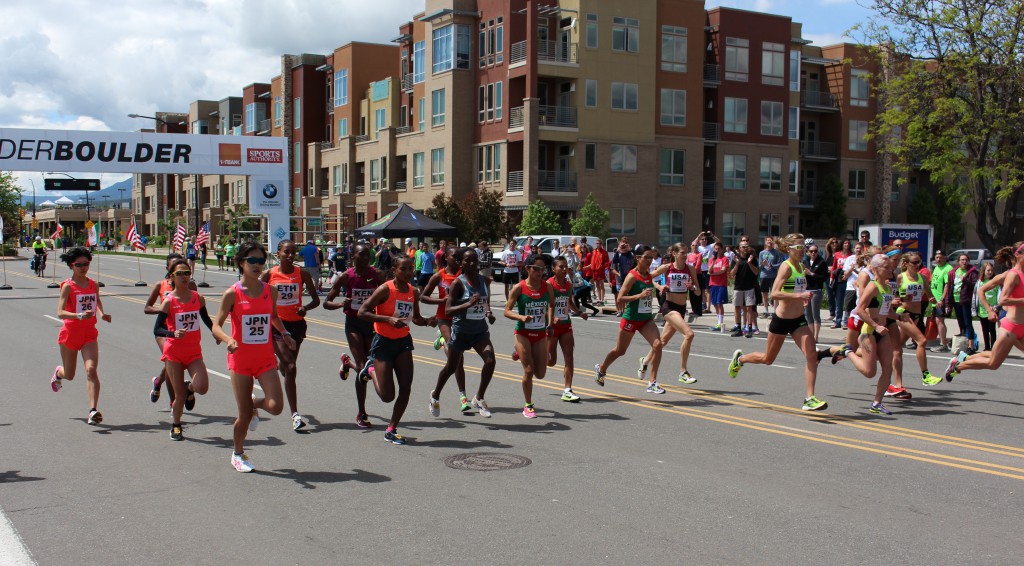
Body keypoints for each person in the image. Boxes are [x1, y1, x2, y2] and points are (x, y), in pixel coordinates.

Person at [211, 241, 291, 472]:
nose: (257, 265)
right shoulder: (232, 294)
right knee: (244, 415)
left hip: (265, 357)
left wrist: (284, 333)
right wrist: (228, 339)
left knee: (276, 407)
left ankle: (255, 404)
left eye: (261, 261)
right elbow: (216, 325)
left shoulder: (270, 291)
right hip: (241, 361)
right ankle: (238, 454)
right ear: (241, 263)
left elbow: (273, 317)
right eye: (252, 261)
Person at [729, 234, 828, 411]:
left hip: (798, 320)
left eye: (803, 248)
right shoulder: (786, 267)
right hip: (781, 320)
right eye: (798, 248)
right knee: (768, 359)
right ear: (788, 249)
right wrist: (799, 295)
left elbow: (795, 289)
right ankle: (740, 359)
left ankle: (809, 398)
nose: (802, 251)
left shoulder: (801, 266)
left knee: (812, 355)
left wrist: (803, 299)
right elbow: (774, 293)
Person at [357, 256, 429, 444]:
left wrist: (428, 322)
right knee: (387, 396)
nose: (408, 272)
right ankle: (370, 369)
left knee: (406, 387)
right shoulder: (385, 289)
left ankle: (391, 428)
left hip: (403, 342)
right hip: (383, 342)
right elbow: (362, 312)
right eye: (403, 269)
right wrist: (387, 319)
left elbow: (416, 317)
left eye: (411, 268)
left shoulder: (414, 291)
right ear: (394, 270)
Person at [430, 247, 498, 416]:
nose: (471, 263)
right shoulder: (458, 283)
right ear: (461, 263)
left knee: (490, 361)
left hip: (480, 332)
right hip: (461, 332)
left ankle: (479, 398)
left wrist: (488, 312)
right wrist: (468, 304)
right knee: (451, 368)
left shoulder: (484, 280)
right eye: (467, 260)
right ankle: (435, 395)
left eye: (474, 260)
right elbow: (448, 311)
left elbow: (484, 301)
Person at [261, 239, 321, 431]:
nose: (290, 256)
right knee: (292, 366)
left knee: (287, 369)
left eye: (293, 252)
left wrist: (305, 308)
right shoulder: (269, 274)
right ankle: (295, 414)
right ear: (278, 253)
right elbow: (254, 294)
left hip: (296, 326)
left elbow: (316, 299)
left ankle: (280, 363)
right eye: (286, 252)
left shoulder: (301, 273)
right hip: (277, 326)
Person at [50, 247, 112, 425]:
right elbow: (60, 312)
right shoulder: (68, 286)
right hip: (70, 334)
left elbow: (96, 299)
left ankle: (93, 410)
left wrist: (102, 314)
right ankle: (58, 373)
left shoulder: (93, 284)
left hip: (89, 334)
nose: (83, 267)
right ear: (72, 265)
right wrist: (78, 315)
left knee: (91, 370)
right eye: (79, 265)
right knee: (69, 375)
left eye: (86, 264)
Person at [153, 258, 214, 441]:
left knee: (202, 387)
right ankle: (176, 425)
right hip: (174, 353)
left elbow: (206, 320)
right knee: (178, 395)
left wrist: (216, 333)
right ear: (172, 277)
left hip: (194, 352)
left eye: (187, 273)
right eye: (180, 273)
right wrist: (172, 333)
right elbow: (157, 329)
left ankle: (190, 388)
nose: (184, 276)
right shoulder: (169, 301)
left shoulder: (197, 298)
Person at [324, 243, 382, 428]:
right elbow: (327, 302)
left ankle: (347, 363)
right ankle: (361, 412)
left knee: (367, 366)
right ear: (353, 257)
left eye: (367, 254)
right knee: (363, 366)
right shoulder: (346, 276)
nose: (365, 258)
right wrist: (342, 304)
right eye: (361, 255)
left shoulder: (377, 275)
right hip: (354, 324)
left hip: (372, 323)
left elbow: (388, 295)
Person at [832, 255, 899, 415]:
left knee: (888, 368)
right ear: (876, 269)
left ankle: (877, 403)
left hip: (883, 332)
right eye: (886, 267)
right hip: (869, 332)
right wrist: (875, 326)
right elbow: (859, 310)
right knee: (870, 372)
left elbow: (886, 312)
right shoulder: (872, 286)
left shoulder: (888, 287)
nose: (890, 270)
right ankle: (847, 351)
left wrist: (900, 316)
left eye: (890, 267)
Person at [595, 247, 666, 394]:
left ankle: (652, 382)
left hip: (646, 319)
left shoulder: (648, 275)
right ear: (638, 258)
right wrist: (638, 296)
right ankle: (601, 369)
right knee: (620, 351)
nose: (649, 260)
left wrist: (658, 287)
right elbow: (620, 298)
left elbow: (650, 283)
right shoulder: (632, 276)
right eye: (646, 257)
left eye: (651, 258)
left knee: (658, 345)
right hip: (631, 319)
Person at [420, 246, 472, 413]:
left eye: (459, 256)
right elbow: (423, 297)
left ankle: (461, 394)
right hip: (444, 318)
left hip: (461, 318)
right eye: (454, 256)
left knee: (457, 359)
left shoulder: (464, 274)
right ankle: (463, 396)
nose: (457, 259)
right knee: (456, 358)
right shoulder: (439, 275)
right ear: (445, 258)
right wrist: (442, 301)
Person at [640, 243, 700, 383]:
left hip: (681, 308)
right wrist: (660, 286)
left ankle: (645, 361)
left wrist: (692, 287)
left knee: (663, 341)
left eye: (686, 253)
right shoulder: (667, 267)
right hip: (668, 307)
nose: (685, 255)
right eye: (682, 253)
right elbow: (648, 278)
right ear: (674, 253)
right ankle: (683, 371)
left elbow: (698, 291)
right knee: (689, 334)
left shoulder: (690, 269)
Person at [505, 253, 556, 417]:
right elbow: (506, 311)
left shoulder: (547, 286)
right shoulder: (519, 288)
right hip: (523, 333)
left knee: (540, 374)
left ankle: (519, 353)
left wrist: (550, 323)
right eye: (537, 268)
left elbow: (551, 305)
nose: (540, 272)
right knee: (528, 370)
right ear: (528, 269)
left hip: (540, 333)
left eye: (543, 268)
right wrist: (520, 317)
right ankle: (528, 405)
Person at [144, 253, 196, 405]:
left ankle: (159, 383)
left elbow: (195, 304)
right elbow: (147, 308)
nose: (182, 274)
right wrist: (164, 309)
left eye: (185, 270)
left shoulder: (190, 285)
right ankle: (174, 402)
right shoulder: (160, 285)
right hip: (165, 331)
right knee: (169, 361)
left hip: (184, 331)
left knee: (174, 365)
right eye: (175, 267)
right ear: (168, 269)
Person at [893, 252, 941, 388]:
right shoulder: (900, 278)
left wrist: (934, 301)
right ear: (906, 264)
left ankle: (860, 353)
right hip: (903, 314)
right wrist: (902, 299)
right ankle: (926, 376)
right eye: (914, 262)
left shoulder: (922, 278)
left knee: (896, 348)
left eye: (919, 262)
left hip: (917, 315)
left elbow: (930, 295)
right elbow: (891, 297)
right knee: (922, 340)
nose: (917, 265)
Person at [547, 256, 589, 402]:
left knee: (569, 357)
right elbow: (544, 305)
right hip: (552, 327)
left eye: (566, 267)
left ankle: (567, 390)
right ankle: (532, 357)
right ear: (553, 269)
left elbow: (569, 302)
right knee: (550, 362)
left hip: (565, 325)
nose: (564, 269)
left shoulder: (569, 284)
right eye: (561, 267)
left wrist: (579, 312)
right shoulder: (548, 284)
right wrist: (551, 319)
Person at [728, 241, 759, 337]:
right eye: (744, 247)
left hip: (749, 287)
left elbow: (756, 272)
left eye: (747, 246)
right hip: (738, 287)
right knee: (737, 307)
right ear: (740, 248)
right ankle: (738, 328)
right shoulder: (736, 258)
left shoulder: (752, 258)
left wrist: (750, 263)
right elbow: (732, 274)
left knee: (749, 308)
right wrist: (737, 264)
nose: (746, 248)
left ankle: (749, 328)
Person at [951, 252, 979, 352]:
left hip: (966, 300)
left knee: (968, 323)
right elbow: (950, 286)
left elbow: (975, 286)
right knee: (960, 322)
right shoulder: (954, 272)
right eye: (962, 260)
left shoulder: (972, 272)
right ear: (958, 261)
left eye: (966, 260)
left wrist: (966, 280)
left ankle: (971, 346)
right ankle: (963, 344)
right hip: (956, 299)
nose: (964, 262)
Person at [803, 243, 829, 341]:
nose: (813, 253)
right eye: (811, 251)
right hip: (806, 290)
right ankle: (811, 335)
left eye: (815, 251)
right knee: (808, 314)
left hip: (816, 290)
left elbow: (823, 277)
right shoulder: (805, 261)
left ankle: (816, 336)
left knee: (815, 314)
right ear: (808, 252)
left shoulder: (821, 262)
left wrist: (812, 274)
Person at [929, 250, 953, 352]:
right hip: (935, 300)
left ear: (945, 257)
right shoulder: (936, 268)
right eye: (937, 257)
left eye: (941, 257)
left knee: (940, 320)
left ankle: (943, 344)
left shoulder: (948, 268)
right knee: (938, 321)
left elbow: (947, 285)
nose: (938, 259)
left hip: (941, 300)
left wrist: (942, 299)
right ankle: (943, 342)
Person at [758, 237, 784, 319]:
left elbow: (780, 264)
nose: (769, 242)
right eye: (767, 240)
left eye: (770, 240)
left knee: (774, 294)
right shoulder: (762, 253)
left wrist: (771, 265)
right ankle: (766, 310)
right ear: (765, 242)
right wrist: (763, 264)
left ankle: (775, 311)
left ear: (773, 242)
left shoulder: (777, 252)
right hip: (764, 275)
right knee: (764, 293)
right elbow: (760, 266)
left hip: (773, 275)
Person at [707, 242, 729, 331]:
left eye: (718, 249)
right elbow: (709, 270)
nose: (716, 250)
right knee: (715, 303)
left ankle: (721, 323)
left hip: (721, 284)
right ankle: (718, 322)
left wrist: (713, 274)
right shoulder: (712, 259)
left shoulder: (725, 259)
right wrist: (713, 261)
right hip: (713, 284)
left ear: (721, 249)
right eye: (715, 249)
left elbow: (723, 270)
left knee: (720, 303)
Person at [829, 239, 852, 326]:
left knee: (848, 302)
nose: (847, 245)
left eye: (848, 243)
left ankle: (846, 322)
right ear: (842, 244)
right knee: (839, 301)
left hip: (848, 280)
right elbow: (834, 267)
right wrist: (831, 277)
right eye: (845, 243)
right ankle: (838, 321)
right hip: (838, 279)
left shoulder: (851, 255)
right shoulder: (837, 254)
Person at [977, 261, 998, 351]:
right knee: (985, 330)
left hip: (992, 309)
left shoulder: (995, 282)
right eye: (988, 270)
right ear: (983, 271)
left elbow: (999, 295)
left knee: (992, 330)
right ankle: (986, 347)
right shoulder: (980, 282)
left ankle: (993, 348)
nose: (990, 272)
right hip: (982, 310)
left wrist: (996, 307)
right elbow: (976, 295)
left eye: (991, 270)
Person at [589, 239, 610, 306]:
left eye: (599, 243)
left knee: (602, 285)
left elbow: (607, 262)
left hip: (601, 271)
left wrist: (602, 266)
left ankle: (602, 299)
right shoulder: (594, 251)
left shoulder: (604, 252)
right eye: (597, 243)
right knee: (597, 285)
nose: (598, 244)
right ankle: (599, 299)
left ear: (601, 244)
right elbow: (592, 261)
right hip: (595, 271)